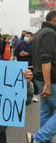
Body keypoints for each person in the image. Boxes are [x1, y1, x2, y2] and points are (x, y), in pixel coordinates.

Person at [27, 10, 56, 143]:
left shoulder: (39, 32)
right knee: (47, 111)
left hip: (40, 78)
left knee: (47, 112)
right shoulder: (50, 33)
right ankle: (38, 138)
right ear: (54, 19)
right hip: (50, 80)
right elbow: (46, 59)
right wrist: (48, 84)